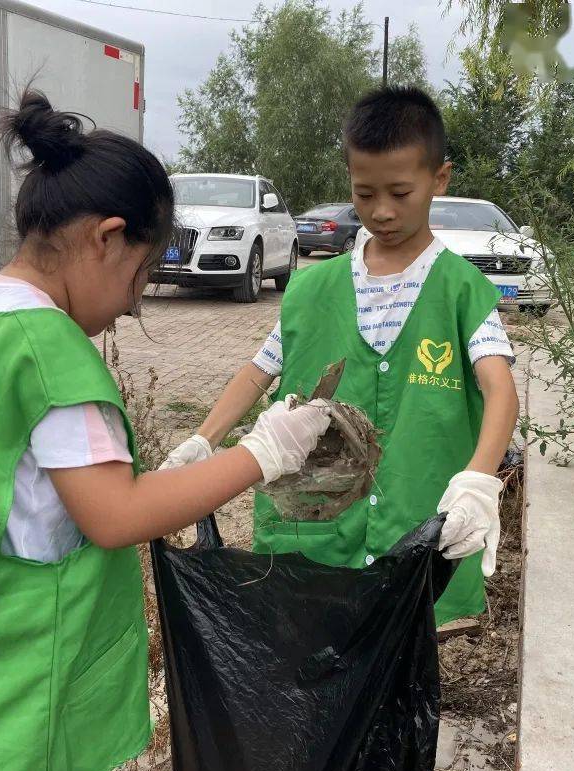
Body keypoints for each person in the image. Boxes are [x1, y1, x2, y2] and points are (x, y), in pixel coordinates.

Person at [0, 88, 331, 771]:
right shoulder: (51, 357)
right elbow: (115, 517)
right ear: (106, 237)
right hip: (2, 698)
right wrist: (261, 455)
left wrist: (193, 463)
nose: (130, 308)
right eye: (141, 279)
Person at [162, 86, 520, 629]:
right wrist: (204, 439)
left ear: (439, 180)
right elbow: (259, 371)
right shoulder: (311, 290)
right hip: (314, 532)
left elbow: (500, 390)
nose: (382, 211)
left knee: (398, 670)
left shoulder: (463, 291)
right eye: (364, 192)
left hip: (413, 538)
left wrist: (478, 478)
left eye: (401, 192)